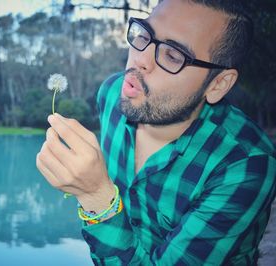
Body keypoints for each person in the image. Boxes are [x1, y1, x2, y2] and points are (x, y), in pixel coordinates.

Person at [36, 0, 276, 264]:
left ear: (218, 84)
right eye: (144, 34)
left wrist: (96, 196)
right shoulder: (113, 93)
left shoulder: (246, 164)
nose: (140, 59)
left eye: (173, 55)